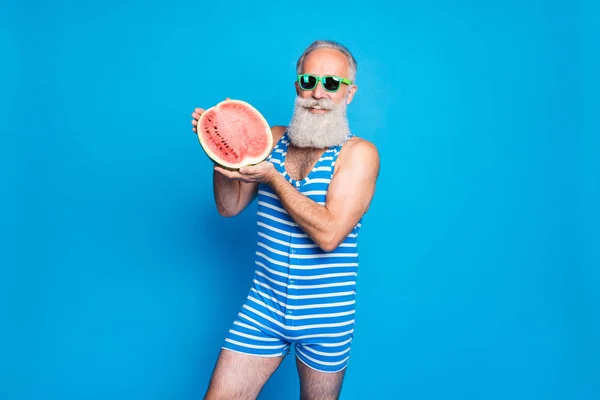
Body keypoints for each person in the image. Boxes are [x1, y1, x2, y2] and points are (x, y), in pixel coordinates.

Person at [190, 40, 380, 400]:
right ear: (297, 86)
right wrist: (220, 151)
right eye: (309, 81)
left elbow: (329, 234)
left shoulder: (358, 154)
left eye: (331, 83)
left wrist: (274, 179)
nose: (318, 93)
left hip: (326, 319)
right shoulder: (273, 141)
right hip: (264, 308)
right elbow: (228, 208)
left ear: (349, 94)